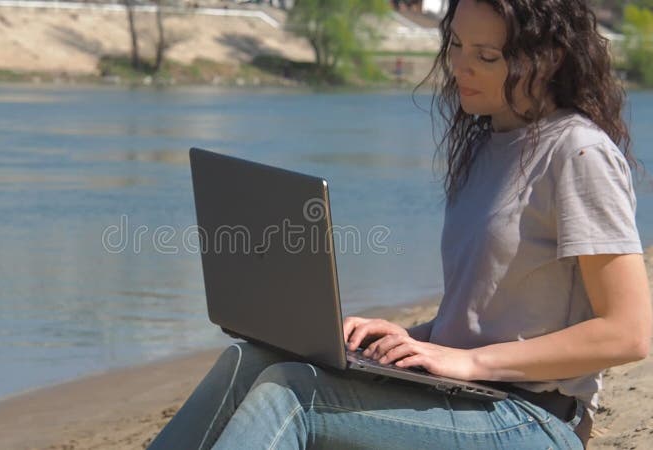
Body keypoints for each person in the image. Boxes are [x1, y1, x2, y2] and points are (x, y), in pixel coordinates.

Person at [148, 0, 652, 448]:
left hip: (534, 419)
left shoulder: (578, 152)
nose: (460, 67)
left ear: (550, 59)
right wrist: (406, 338)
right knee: (251, 361)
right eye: (455, 44)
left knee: (291, 396)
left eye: (487, 55)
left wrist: (469, 363)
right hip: (470, 395)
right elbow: (493, 317)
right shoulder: (486, 147)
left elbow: (629, 332)